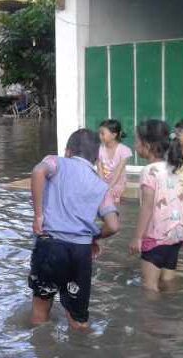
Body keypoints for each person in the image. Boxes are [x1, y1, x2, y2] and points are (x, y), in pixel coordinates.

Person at [29, 129, 119, 330]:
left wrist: (38, 216)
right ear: (95, 159)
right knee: (78, 319)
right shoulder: (100, 185)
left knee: (40, 310)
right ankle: (82, 355)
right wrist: (94, 236)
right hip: (80, 253)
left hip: (50, 245)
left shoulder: (56, 161)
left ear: (68, 151)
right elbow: (113, 225)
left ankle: (43, 357)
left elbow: (37, 172)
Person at [129, 120, 183, 292]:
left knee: (149, 288)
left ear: (147, 145)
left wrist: (137, 237)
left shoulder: (149, 171)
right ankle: (171, 316)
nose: (135, 146)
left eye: (136, 141)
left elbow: (147, 207)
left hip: (156, 238)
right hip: (175, 235)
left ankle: (153, 318)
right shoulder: (173, 167)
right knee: (168, 283)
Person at [97, 119, 133, 204]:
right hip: (104, 182)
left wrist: (110, 187)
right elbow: (99, 169)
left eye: (103, 133)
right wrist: (103, 186)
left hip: (118, 183)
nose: (100, 136)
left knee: (112, 200)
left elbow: (118, 171)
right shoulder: (99, 149)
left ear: (113, 135)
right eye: (99, 133)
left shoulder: (124, 150)